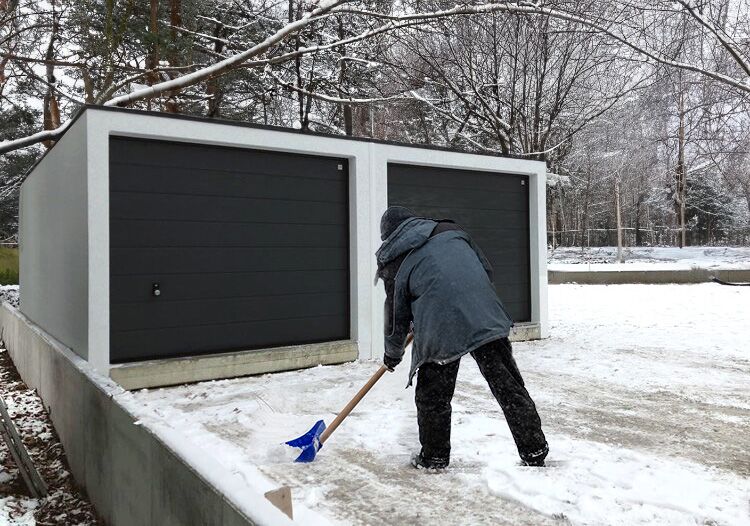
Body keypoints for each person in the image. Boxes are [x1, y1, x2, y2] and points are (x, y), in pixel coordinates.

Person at [375, 206, 548, 470]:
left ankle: (434, 457)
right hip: (484, 313)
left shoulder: (395, 258)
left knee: (434, 395)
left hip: (441, 326)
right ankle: (534, 449)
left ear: (388, 236)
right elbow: (485, 269)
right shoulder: (451, 231)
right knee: (507, 385)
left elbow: (396, 316)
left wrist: (392, 354)